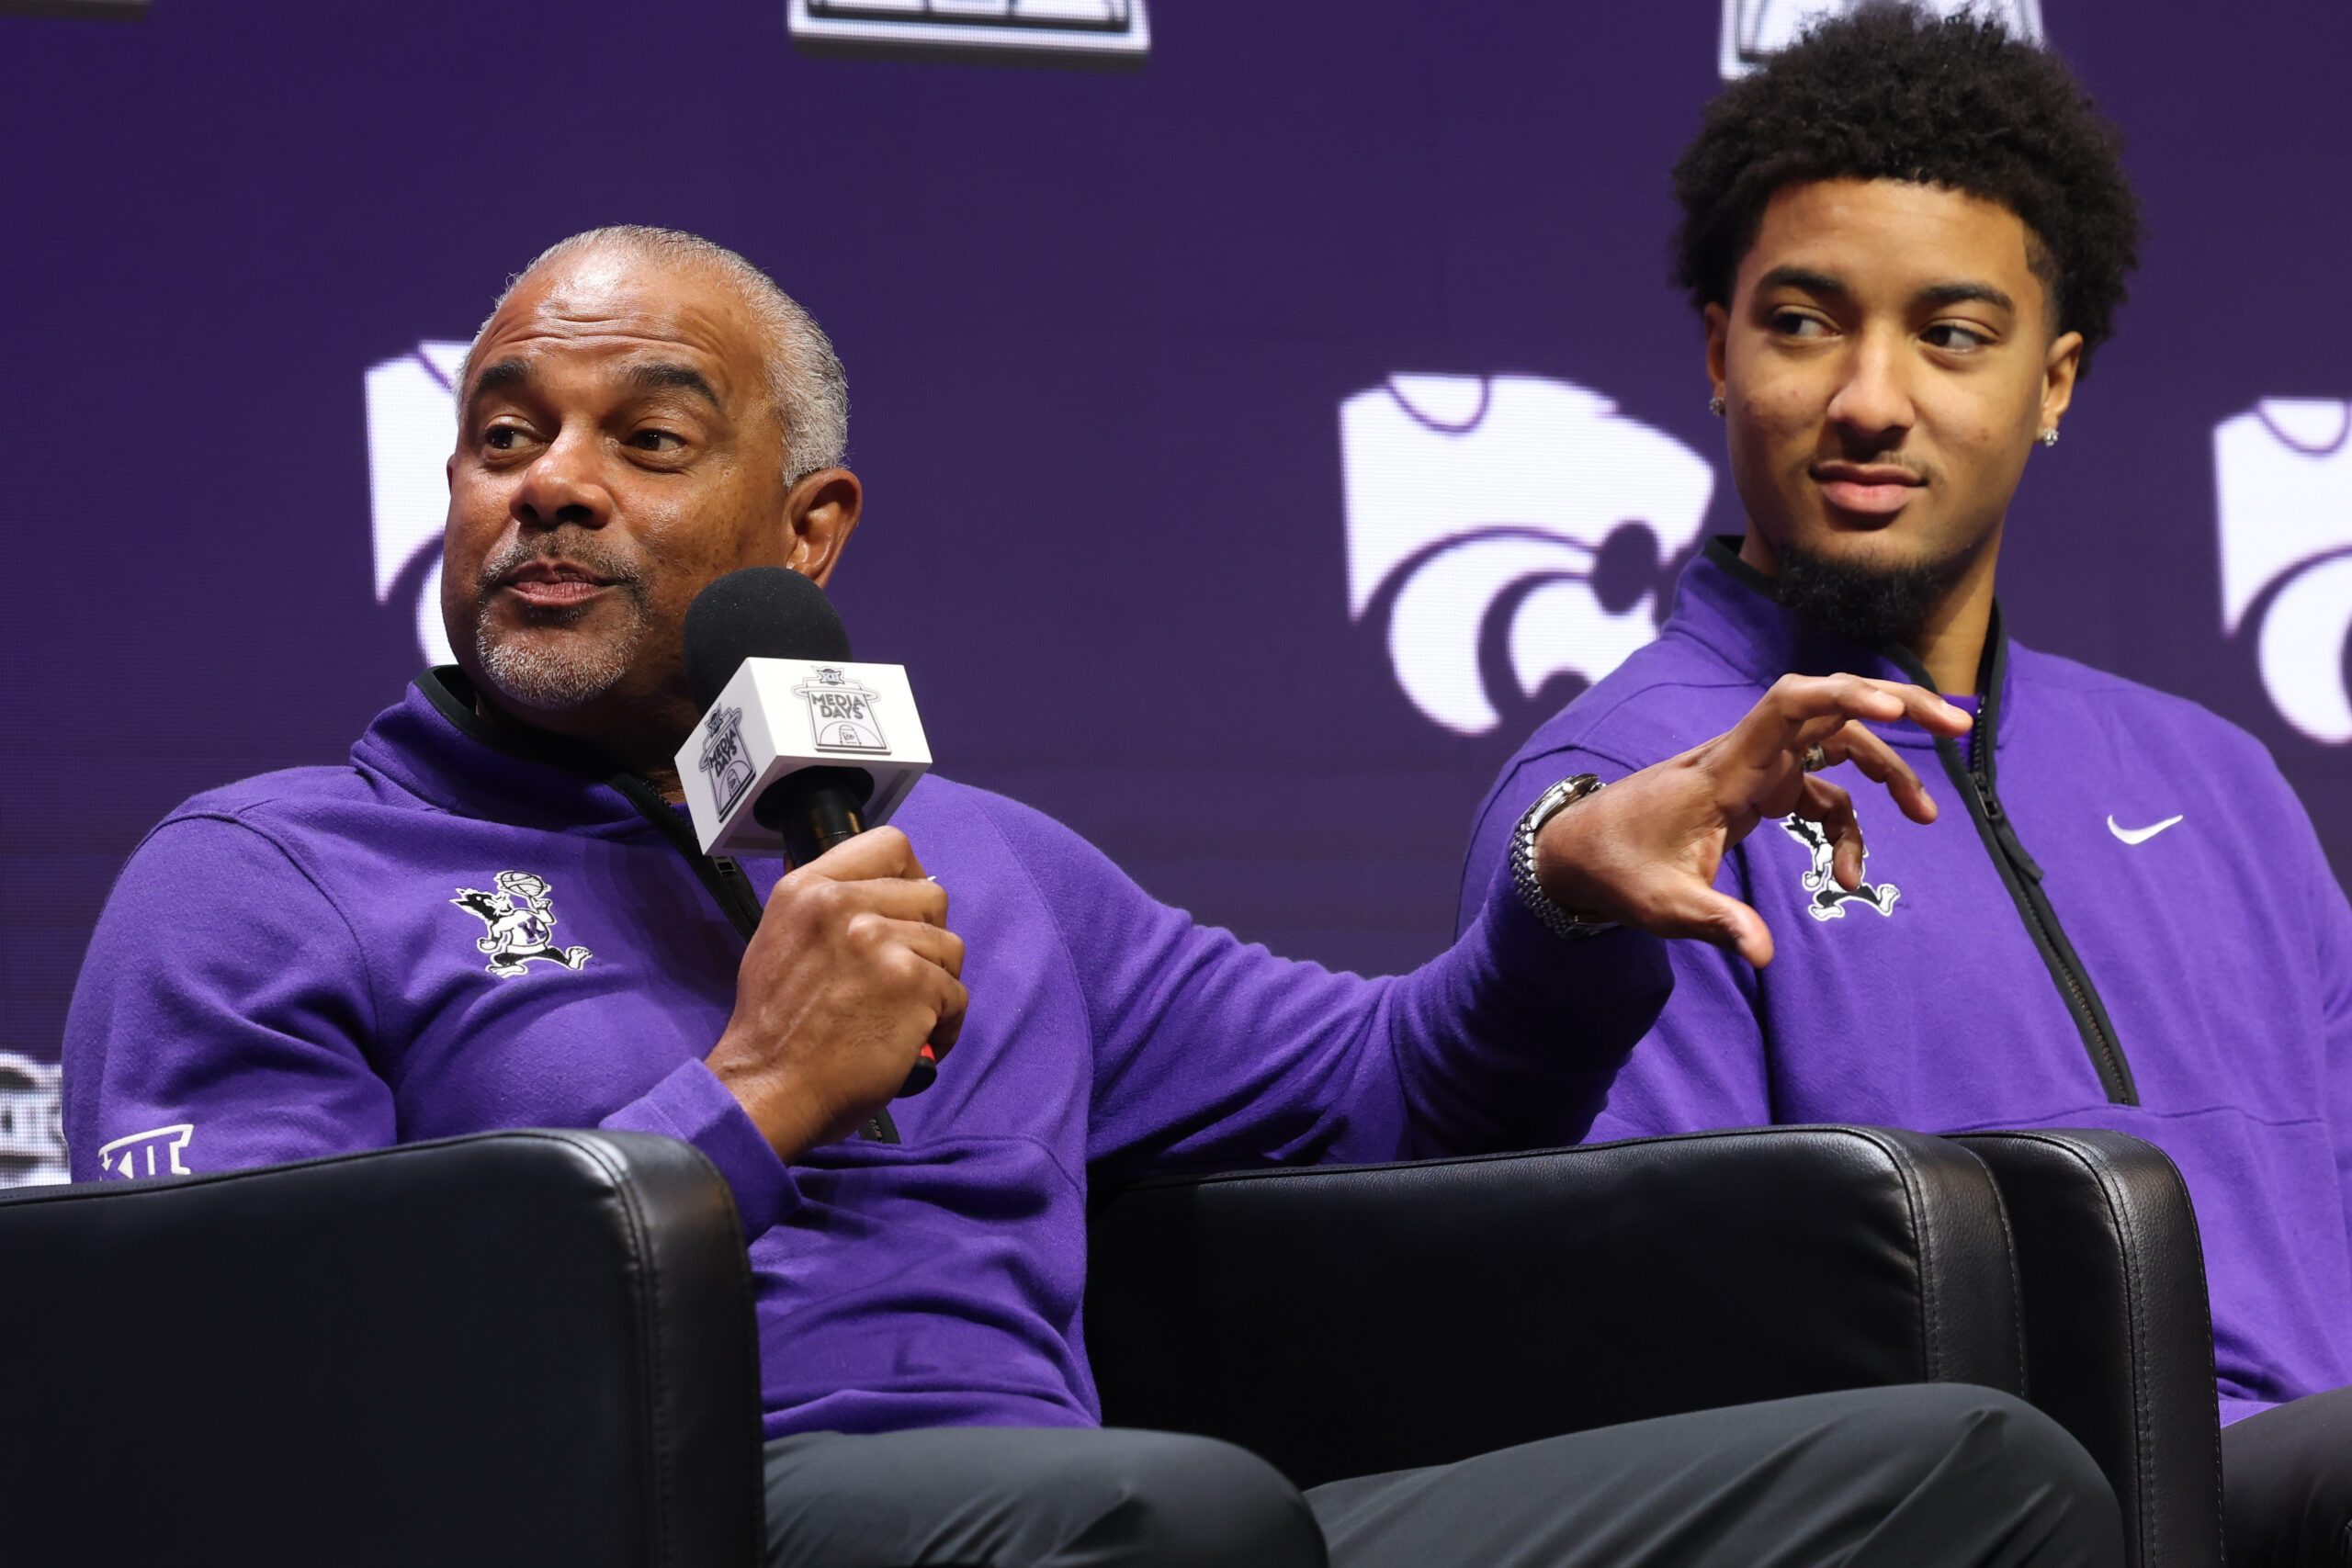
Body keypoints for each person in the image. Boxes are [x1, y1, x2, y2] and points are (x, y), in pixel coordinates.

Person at [65, 224, 2118, 1567]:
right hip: (676, 1519)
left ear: (808, 523)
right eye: (501, 438)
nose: (549, 483)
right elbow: (246, 1410)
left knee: (1965, 1473)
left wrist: (1559, 901)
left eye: (642, 434)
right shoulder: (268, 879)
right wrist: (753, 1098)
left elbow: (1385, 1095)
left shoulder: (977, 856)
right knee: (1181, 1519)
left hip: (1119, 1520)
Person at [1459, 12, 2352, 1564]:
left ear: (2053, 381)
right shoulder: (1630, 799)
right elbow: (1688, 1386)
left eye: (1952, 334)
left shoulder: (2218, 780)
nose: (1871, 400)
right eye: (1805, 322)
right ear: (1718, 350)